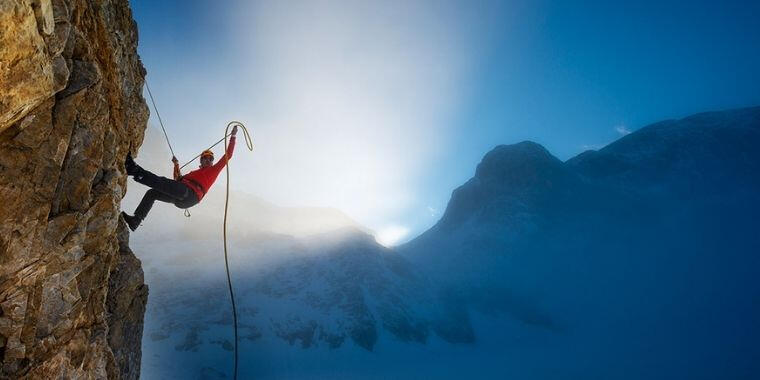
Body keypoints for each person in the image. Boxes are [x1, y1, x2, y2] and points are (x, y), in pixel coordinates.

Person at [121, 125, 238, 231]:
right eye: (205, 158)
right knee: (152, 193)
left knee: (161, 182)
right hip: (184, 198)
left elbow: (229, 155)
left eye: (210, 159)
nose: (208, 160)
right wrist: (176, 165)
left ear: (212, 162)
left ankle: (133, 169)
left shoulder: (214, 170)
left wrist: (233, 136)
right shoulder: (193, 173)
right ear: (201, 160)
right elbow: (177, 179)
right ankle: (136, 221)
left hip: (191, 194)